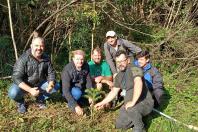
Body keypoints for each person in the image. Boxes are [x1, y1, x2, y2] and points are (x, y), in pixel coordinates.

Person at [95, 50, 154, 132]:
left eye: (122, 61)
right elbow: (114, 92)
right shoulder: (119, 76)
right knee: (120, 125)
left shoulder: (135, 68)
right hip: (128, 105)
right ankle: (139, 118)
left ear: (128, 60)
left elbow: (138, 82)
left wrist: (133, 102)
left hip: (144, 102)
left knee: (132, 109)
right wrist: (102, 103)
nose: (120, 64)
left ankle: (140, 127)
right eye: (118, 62)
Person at [8, 37, 60, 114]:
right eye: (36, 45)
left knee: (56, 85)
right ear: (31, 46)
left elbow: (51, 73)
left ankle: (40, 99)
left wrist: (51, 84)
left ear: (44, 47)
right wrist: (30, 90)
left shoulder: (46, 58)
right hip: (24, 85)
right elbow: (16, 77)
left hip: (39, 84)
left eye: (41, 46)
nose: (39, 48)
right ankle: (21, 102)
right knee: (13, 92)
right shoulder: (23, 59)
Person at [61, 50, 93, 116]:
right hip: (69, 90)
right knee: (77, 93)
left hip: (81, 87)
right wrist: (75, 106)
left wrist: (90, 95)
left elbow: (89, 82)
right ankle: (71, 104)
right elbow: (65, 90)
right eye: (77, 59)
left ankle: (80, 102)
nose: (80, 61)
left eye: (82, 59)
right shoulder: (67, 70)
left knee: (86, 97)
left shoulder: (86, 66)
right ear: (73, 59)